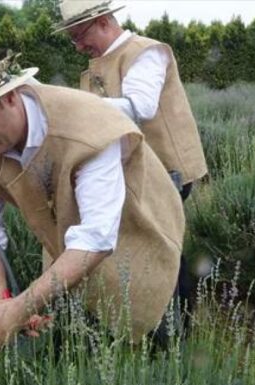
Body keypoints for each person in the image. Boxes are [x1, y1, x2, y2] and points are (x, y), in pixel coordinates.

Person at [0, 46, 185, 349]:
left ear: (9, 97)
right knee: (77, 344)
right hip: (70, 239)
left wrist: (19, 309)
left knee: (152, 332)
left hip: (138, 225)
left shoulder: (87, 123)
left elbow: (96, 237)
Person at [56, 0, 209, 307]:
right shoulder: (100, 63)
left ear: (103, 21)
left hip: (167, 170)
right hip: (136, 171)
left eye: (79, 36)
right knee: (145, 244)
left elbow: (141, 106)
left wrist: (70, 107)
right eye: (72, 39)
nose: (77, 46)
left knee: (163, 244)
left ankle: (176, 324)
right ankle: (149, 316)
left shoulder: (146, 51)